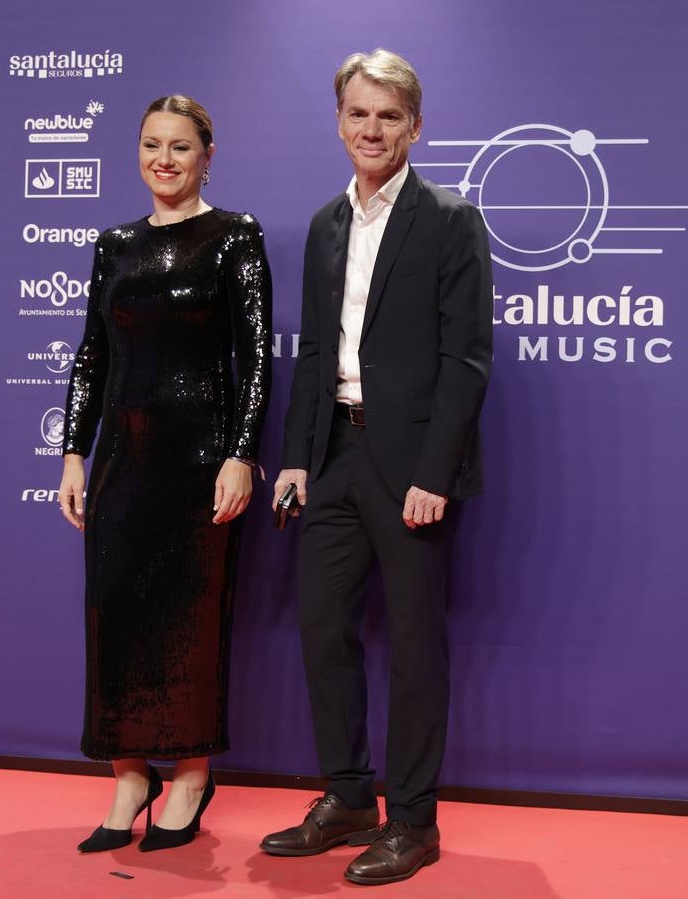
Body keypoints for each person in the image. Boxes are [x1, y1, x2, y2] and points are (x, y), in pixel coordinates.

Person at [259, 50, 493, 886]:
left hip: (410, 470)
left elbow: (465, 361)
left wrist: (436, 472)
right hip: (332, 460)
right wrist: (293, 459)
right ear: (338, 122)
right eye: (358, 115)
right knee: (323, 631)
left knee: (415, 649)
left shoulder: (449, 219)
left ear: (415, 127)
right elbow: (315, 350)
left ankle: (414, 822)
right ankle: (349, 798)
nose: (371, 130)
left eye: (388, 117)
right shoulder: (327, 223)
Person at [58, 94, 272, 854]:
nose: (164, 160)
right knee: (114, 616)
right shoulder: (113, 243)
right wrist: (74, 452)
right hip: (121, 459)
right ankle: (127, 774)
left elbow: (253, 359)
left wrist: (240, 452)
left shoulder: (233, 237)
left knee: (188, 621)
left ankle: (188, 775)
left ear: (207, 154)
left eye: (180, 146)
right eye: (151, 144)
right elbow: (91, 356)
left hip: (198, 461)